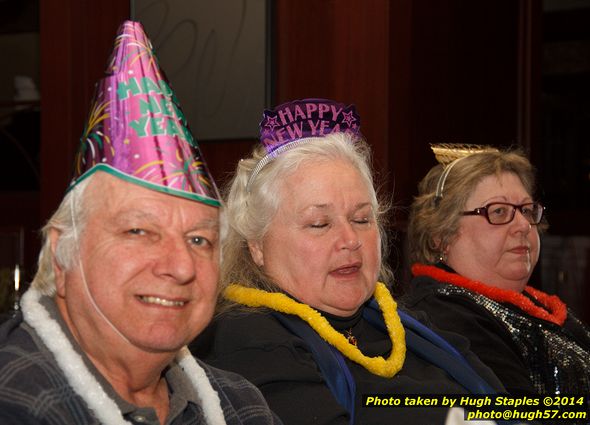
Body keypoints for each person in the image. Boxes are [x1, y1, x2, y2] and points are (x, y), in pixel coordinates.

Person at [0, 21, 279, 425]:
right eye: (138, 231)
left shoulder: (239, 403)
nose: (180, 266)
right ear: (61, 254)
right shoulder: (0, 403)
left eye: (199, 240)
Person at [192, 99, 505, 425]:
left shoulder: (409, 324)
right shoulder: (250, 342)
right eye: (319, 224)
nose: (350, 240)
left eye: (361, 219)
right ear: (257, 245)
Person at [403, 144, 590, 396]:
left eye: (526, 210)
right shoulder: (445, 318)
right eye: (499, 212)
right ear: (441, 234)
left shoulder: (536, 304)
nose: (523, 225)